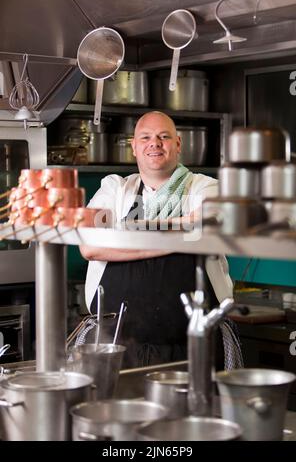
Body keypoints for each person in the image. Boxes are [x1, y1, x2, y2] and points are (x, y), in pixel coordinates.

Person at [79, 111, 239, 369]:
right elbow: (90, 247)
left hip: (195, 347)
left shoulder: (204, 187)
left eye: (164, 137)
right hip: (117, 345)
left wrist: (125, 235)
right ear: (134, 146)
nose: (155, 143)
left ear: (177, 145)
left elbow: (206, 231)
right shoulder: (115, 189)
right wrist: (181, 231)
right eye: (146, 137)